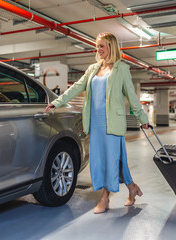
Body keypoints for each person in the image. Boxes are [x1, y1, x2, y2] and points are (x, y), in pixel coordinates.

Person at [45, 32, 149, 214]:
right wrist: (57, 102)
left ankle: (105, 198)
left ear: (111, 46)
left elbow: (131, 96)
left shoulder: (121, 69)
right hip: (95, 123)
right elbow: (77, 86)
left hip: (113, 122)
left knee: (111, 161)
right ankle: (132, 188)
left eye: (102, 46)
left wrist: (143, 118)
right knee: (104, 161)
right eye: (97, 46)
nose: (98, 49)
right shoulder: (93, 69)